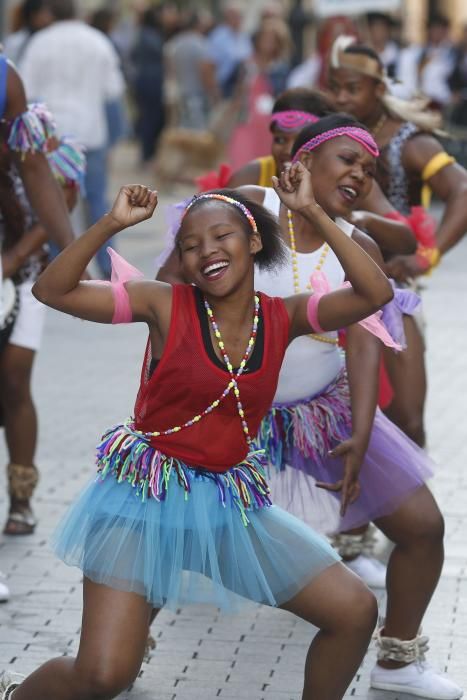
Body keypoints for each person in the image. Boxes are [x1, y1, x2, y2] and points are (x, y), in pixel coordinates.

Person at [0, 161, 396, 699]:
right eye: (190, 245)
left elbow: (374, 293)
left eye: (220, 235)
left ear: (254, 240)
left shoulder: (285, 317)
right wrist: (111, 224)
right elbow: (52, 289)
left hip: (229, 502)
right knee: (103, 675)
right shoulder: (163, 303)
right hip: (142, 499)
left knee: (354, 610)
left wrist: (309, 212)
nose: (205, 250)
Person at [157, 114, 463, 699]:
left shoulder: (359, 243)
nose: (358, 174)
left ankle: (398, 661)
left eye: (368, 170)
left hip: (322, 413)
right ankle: (119, 652)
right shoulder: (248, 206)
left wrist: (365, 428)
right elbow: (174, 281)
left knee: (423, 527)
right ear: (306, 159)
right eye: (347, 159)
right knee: (172, 529)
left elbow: (366, 339)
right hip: (231, 411)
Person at [328, 37, 467, 448]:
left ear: (379, 89)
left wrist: (428, 255)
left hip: (392, 292)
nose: (341, 97)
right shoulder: (332, 134)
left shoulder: (410, 143)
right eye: (335, 87)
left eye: (352, 88)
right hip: (331, 289)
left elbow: (462, 190)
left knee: (406, 419)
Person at [0, 107, 85, 537]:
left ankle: (21, 494)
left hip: (25, 276)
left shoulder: (34, 135)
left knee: (14, 379)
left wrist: (12, 258)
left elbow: (63, 200)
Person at [20, 0, 125, 279]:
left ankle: (60, 266)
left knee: (54, 203)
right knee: (98, 203)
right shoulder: (97, 41)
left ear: (50, 12)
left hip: (52, 137)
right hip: (91, 131)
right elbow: (113, 91)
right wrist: (115, 137)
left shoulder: (40, 42)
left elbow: (27, 93)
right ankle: (108, 265)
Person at [164, 10, 219, 131]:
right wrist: (214, 94)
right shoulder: (200, 44)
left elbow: (169, 71)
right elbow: (206, 71)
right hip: (197, 96)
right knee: (199, 134)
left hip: (181, 95)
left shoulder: (173, 44)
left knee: (185, 131)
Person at [130, 7, 165, 164]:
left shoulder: (141, 35)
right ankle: (147, 154)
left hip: (143, 79)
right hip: (152, 81)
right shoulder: (150, 36)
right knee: (151, 118)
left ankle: (147, 153)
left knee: (147, 117)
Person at [208, 2, 252, 98]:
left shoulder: (244, 37)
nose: (236, 19)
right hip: (224, 86)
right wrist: (214, 92)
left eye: (238, 16)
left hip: (243, 87)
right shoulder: (218, 37)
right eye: (233, 16)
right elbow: (209, 65)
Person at [2, 0, 53, 66]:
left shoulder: (49, 38)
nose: (48, 17)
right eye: (44, 13)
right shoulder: (16, 42)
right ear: (33, 15)